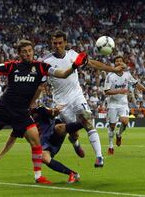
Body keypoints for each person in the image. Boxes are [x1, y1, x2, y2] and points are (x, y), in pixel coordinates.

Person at [0, 39, 88, 184]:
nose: (28, 54)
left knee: (36, 142)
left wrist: (74, 66)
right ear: (19, 54)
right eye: (24, 51)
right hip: (4, 108)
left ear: (33, 52)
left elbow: (62, 74)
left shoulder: (41, 67)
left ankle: (38, 176)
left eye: (30, 51)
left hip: (22, 111)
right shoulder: (12, 66)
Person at [40, 30, 124, 167]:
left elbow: (93, 64)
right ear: (51, 43)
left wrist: (113, 70)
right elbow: (40, 84)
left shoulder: (73, 54)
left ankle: (99, 157)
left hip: (77, 96)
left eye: (60, 43)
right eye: (55, 43)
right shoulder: (46, 62)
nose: (57, 45)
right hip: (61, 103)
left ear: (65, 43)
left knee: (87, 120)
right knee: (74, 134)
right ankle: (75, 143)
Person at [0, 105, 83, 183]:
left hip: (53, 133)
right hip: (44, 144)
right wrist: (0, 154)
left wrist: (55, 110)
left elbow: (52, 112)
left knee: (59, 128)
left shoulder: (38, 110)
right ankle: (73, 174)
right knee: (43, 157)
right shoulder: (21, 121)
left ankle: (83, 123)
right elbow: (12, 139)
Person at [104, 55, 145, 155]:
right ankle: (110, 146)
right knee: (112, 126)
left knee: (125, 122)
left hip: (123, 103)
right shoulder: (110, 76)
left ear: (123, 63)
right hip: (112, 104)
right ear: (114, 64)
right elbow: (106, 91)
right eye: (116, 61)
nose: (118, 63)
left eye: (120, 61)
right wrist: (120, 90)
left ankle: (119, 134)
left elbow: (136, 84)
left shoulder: (127, 75)